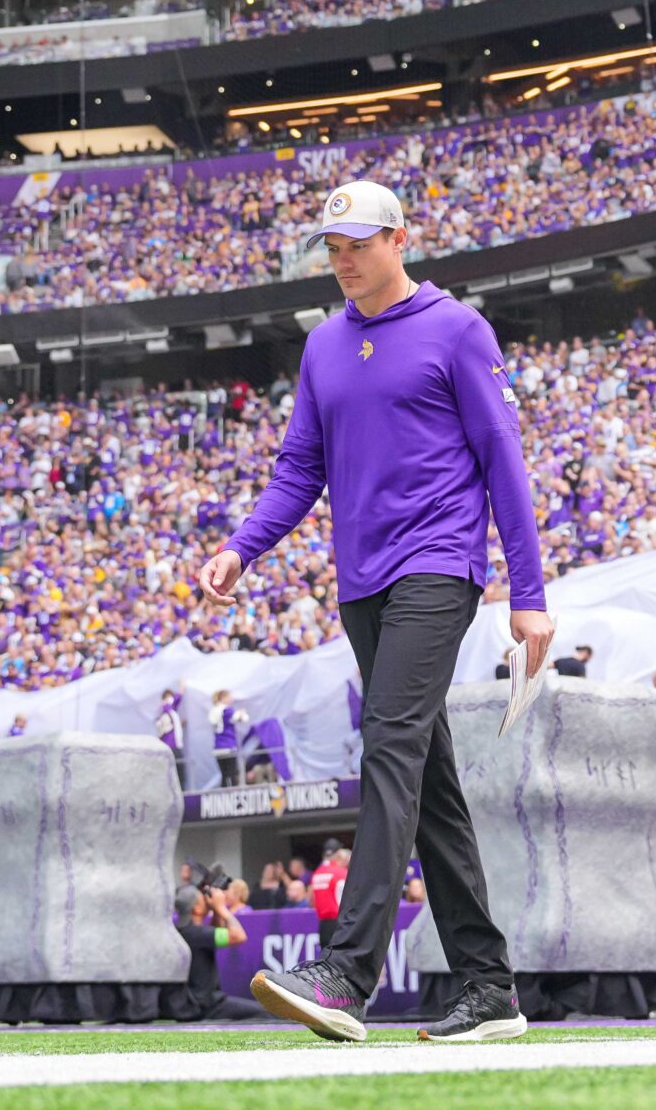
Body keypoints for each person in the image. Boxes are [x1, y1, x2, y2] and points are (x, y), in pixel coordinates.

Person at [204, 179, 552, 1044]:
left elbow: (502, 456)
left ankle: (346, 972)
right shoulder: (323, 347)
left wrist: (530, 595)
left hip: (438, 567)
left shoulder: (457, 330)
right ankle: (487, 987)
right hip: (361, 582)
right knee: (427, 782)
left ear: (400, 238)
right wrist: (242, 547)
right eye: (332, 246)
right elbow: (298, 471)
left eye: (358, 243)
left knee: (390, 745)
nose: (344, 259)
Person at [170, 883, 264, 1021]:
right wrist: (221, 908)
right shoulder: (196, 933)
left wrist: (215, 911)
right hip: (206, 1006)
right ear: (196, 908)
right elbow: (238, 936)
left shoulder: (186, 931)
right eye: (203, 899)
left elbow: (214, 932)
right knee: (265, 1013)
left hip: (196, 1004)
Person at [309, 843, 349, 948]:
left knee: (326, 959)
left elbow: (311, 899)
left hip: (323, 925)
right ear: (339, 855)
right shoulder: (341, 873)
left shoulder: (317, 873)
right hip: (340, 923)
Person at [211, 690, 247, 789]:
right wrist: (242, 712)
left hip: (217, 747)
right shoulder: (227, 710)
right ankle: (235, 797)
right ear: (223, 698)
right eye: (229, 697)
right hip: (228, 746)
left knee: (224, 775)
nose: (231, 699)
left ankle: (223, 796)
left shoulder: (214, 710)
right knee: (233, 774)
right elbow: (242, 718)